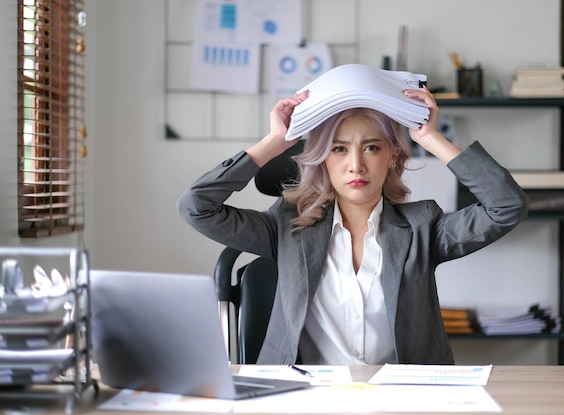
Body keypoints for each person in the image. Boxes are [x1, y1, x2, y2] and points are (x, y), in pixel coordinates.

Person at [177, 85, 529, 366]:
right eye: (339, 149)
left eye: (372, 148)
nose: (356, 165)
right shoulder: (286, 226)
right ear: (322, 159)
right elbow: (197, 207)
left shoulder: (423, 227)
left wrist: (429, 138)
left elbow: (507, 206)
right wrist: (274, 144)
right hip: (306, 398)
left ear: (392, 156)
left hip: (404, 398)